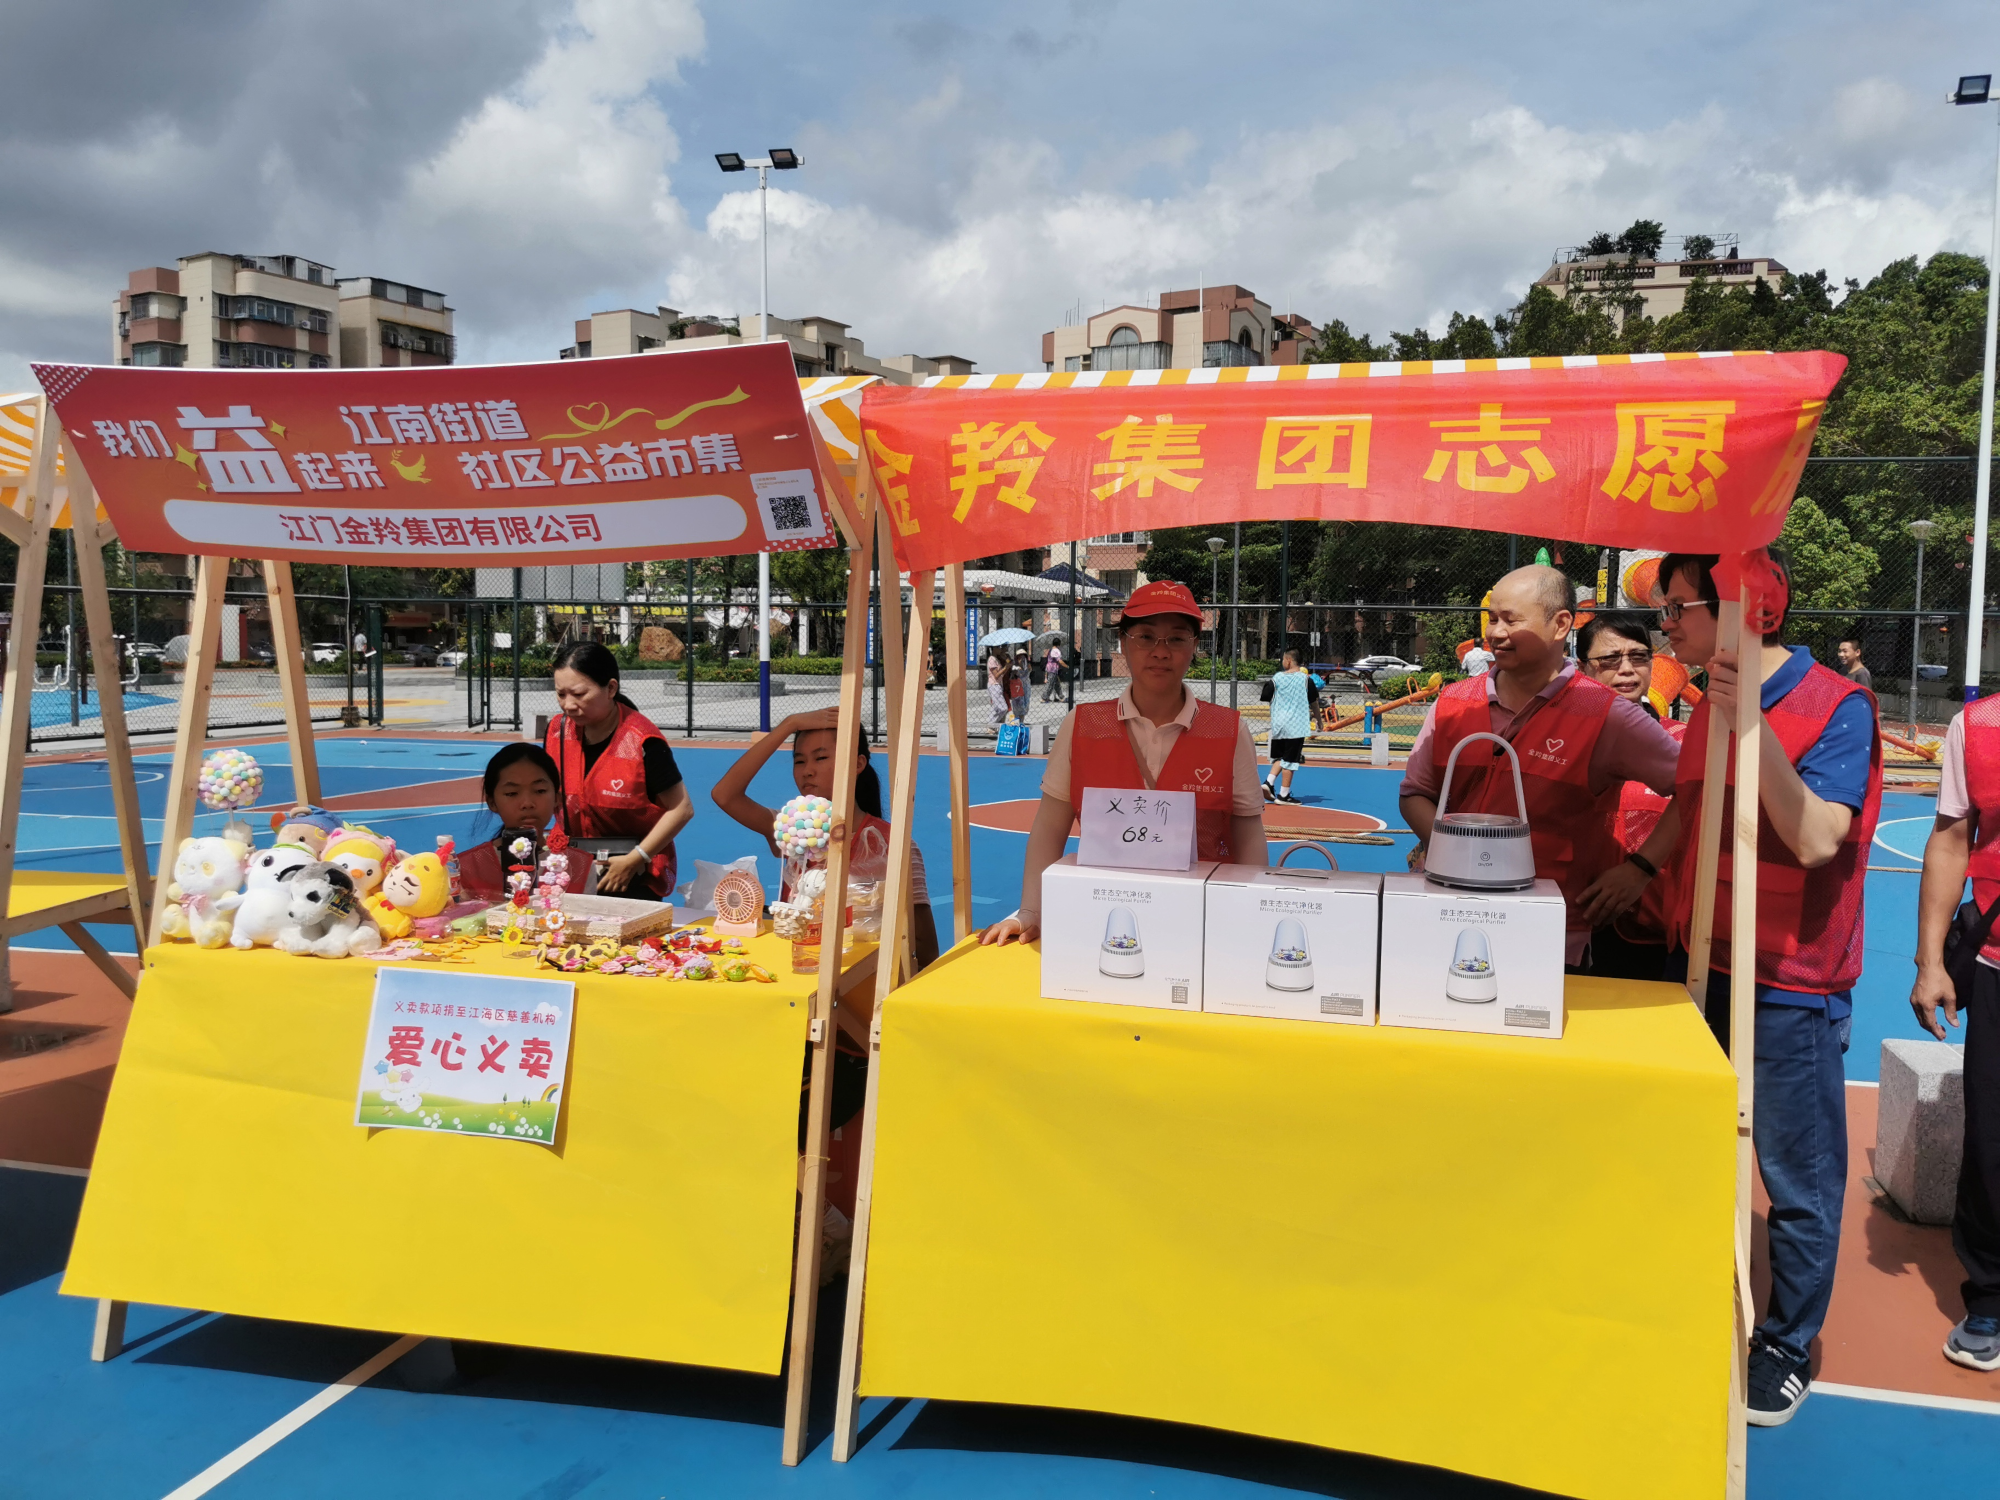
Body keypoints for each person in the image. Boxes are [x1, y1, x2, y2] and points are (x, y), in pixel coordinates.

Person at [1657, 550, 1883, 1426]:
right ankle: (1696, 1295)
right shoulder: (1700, 698)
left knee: (1797, 1172)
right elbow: (1688, 806)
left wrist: (1749, 721)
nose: (1667, 627)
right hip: (1700, 965)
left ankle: (1786, 1342)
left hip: (1791, 983)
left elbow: (1818, 838)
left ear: (1748, 610)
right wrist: (1639, 869)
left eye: (1680, 607)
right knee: (1694, 1147)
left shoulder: (1837, 705)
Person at [1398, 566, 1682, 971]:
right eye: (1492, 619)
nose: (1496, 633)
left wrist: (1640, 869)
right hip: (1447, 912)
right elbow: (1415, 793)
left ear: (1560, 624)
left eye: (1511, 620)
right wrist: (1460, 856)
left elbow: (1697, 788)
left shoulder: (1608, 715)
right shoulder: (1453, 702)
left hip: (1550, 933)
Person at [982, 580, 1267, 947]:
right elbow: (1050, 826)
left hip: (1202, 923)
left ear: (1195, 645)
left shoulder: (1228, 731)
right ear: (1123, 641)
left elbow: (1248, 833)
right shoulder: (1081, 725)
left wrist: (1249, 916)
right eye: (1145, 637)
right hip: (1102, 918)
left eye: (1176, 638)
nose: (1160, 651)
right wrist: (1031, 911)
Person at [1907, 696, 2000, 1373]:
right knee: (1992, 1142)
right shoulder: (1980, 727)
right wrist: (1931, 960)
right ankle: (1991, 1296)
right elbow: (1950, 838)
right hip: (1996, 963)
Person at [711, 706, 940, 970]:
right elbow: (724, 795)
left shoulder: (892, 843)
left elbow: (924, 945)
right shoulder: (791, 831)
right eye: (799, 761)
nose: (807, 771)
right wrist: (789, 724)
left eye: (820, 758)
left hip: (862, 977)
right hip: (796, 971)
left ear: (858, 764)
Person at [1573, 612, 1681, 981]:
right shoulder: (1556, 737)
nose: (1626, 670)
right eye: (1609, 659)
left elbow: (1702, 804)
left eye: (1639, 657)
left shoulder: (1685, 740)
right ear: (1582, 667)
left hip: (1658, 930)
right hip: (1571, 918)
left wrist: (1641, 870)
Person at [545, 642, 693, 901]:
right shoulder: (557, 731)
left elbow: (682, 809)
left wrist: (636, 858)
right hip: (571, 868)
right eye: (561, 694)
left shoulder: (643, 741)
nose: (568, 705)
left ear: (611, 688)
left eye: (579, 694)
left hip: (633, 875)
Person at [457, 743, 591, 900]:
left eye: (540, 791)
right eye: (512, 793)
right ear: (492, 802)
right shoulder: (465, 868)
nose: (527, 803)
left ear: (557, 798)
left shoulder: (581, 866)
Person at [1262, 649, 1317, 805]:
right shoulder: (1306, 680)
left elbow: (1266, 695)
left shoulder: (1276, 678)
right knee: (1290, 760)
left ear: (1288, 661)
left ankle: (1268, 782)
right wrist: (1319, 721)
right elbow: (1314, 701)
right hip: (1296, 725)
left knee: (1280, 757)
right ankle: (1284, 795)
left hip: (1279, 724)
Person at [986, 649, 1012, 725]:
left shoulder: (997, 659)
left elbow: (1002, 674)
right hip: (994, 685)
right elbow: (996, 675)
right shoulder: (992, 659)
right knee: (1003, 708)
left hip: (999, 685)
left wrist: (1007, 666)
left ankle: (992, 725)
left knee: (996, 707)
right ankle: (991, 724)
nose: (1000, 649)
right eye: (998, 647)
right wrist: (1005, 667)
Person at [1011, 649, 1032, 720]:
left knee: (1026, 703)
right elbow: (1014, 674)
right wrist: (1018, 668)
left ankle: (1021, 720)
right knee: (1018, 704)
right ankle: (1017, 718)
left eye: (1023, 657)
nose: (1022, 659)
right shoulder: (1015, 667)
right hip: (1018, 688)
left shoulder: (1027, 667)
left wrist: (1028, 669)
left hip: (1026, 686)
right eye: (1020, 657)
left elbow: (1028, 672)